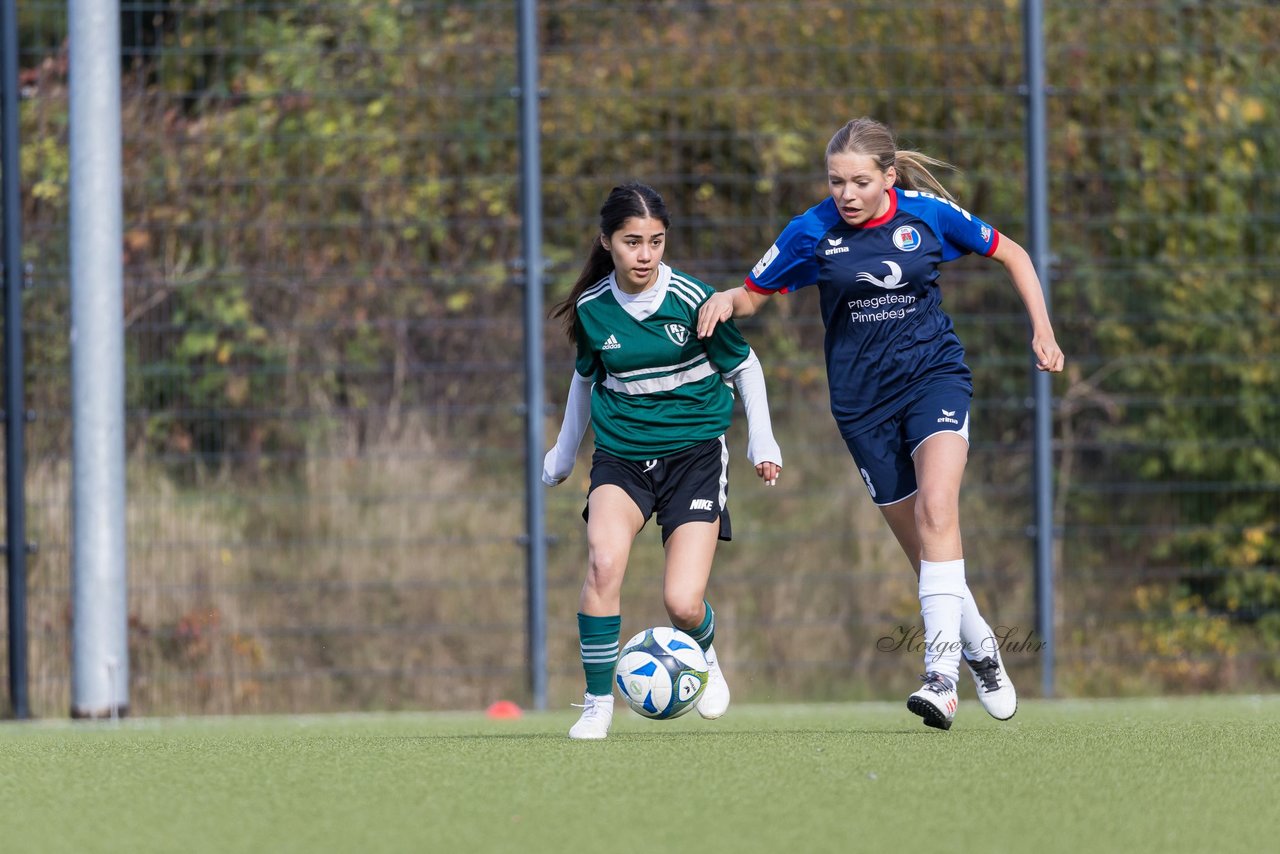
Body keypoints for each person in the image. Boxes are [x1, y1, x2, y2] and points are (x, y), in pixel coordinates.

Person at [696, 117, 1064, 730]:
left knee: (938, 510)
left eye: (860, 181)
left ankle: (940, 676)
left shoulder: (927, 215)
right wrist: (722, 299)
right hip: (861, 408)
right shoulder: (810, 231)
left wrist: (1043, 330)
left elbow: (1013, 254)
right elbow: (753, 294)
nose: (846, 194)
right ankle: (982, 652)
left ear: (888, 177)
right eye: (836, 181)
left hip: (933, 380)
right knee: (926, 553)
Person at [543, 182, 783, 740]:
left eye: (655, 242)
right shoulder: (592, 308)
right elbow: (585, 379)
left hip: (695, 456)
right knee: (603, 564)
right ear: (607, 243)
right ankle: (597, 705)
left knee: (681, 602)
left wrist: (761, 442)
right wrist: (562, 451)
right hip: (622, 457)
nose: (645, 255)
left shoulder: (695, 301)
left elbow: (745, 368)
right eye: (632, 242)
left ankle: (707, 658)